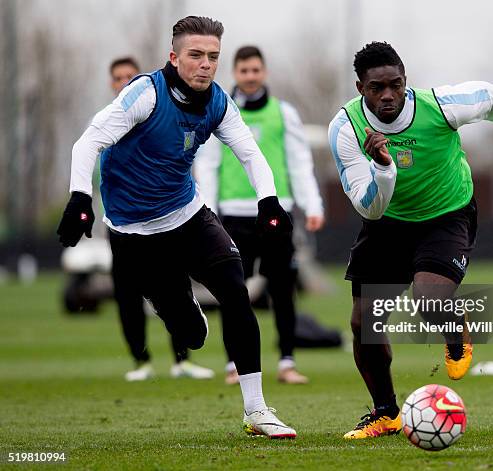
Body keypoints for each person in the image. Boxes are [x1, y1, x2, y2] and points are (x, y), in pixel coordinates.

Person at [57, 16, 296, 438]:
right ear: (174, 56)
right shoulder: (144, 94)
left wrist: (269, 201)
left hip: (188, 214)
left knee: (236, 292)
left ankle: (256, 410)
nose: (206, 65)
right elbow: (87, 142)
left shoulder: (219, 102)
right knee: (191, 334)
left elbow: (251, 154)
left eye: (213, 57)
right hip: (135, 232)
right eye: (196, 55)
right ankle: (177, 310)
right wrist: (79, 198)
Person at [328, 42, 493, 439]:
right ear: (359, 87)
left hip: (446, 216)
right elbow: (371, 211)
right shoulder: (346, 129)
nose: (388, 95)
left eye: (395, 84)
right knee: (363, 322)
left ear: (405, 80)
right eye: (376, 88)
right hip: (387, 222)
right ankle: (385, 413)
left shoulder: (440, 106)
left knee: (429, 297)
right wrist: (384, 168)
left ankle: (456, 335)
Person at [196, 45, 325, 385]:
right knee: (232, 290)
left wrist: (312, 205)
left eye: (255, 70)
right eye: (243, 71)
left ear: (263, 72)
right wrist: (207, 208)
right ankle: (232, 365)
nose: (250, 77)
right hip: (232, 215)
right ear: (235, 73)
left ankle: (286, 362)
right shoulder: (218, 110)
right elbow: (207, 164)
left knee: (283, 290)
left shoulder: (284, 114)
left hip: (276, 213)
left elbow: (299, 163)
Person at [107, 56, 215, 382]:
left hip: (166, 220)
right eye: (118, 77)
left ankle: (182, 358)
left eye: (130, 75)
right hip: (120, 224)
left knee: (174, 283)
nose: (125, 81)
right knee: (127, 290)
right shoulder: (104, 124)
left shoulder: (160, 116)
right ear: (111, 83)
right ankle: (140, 361)